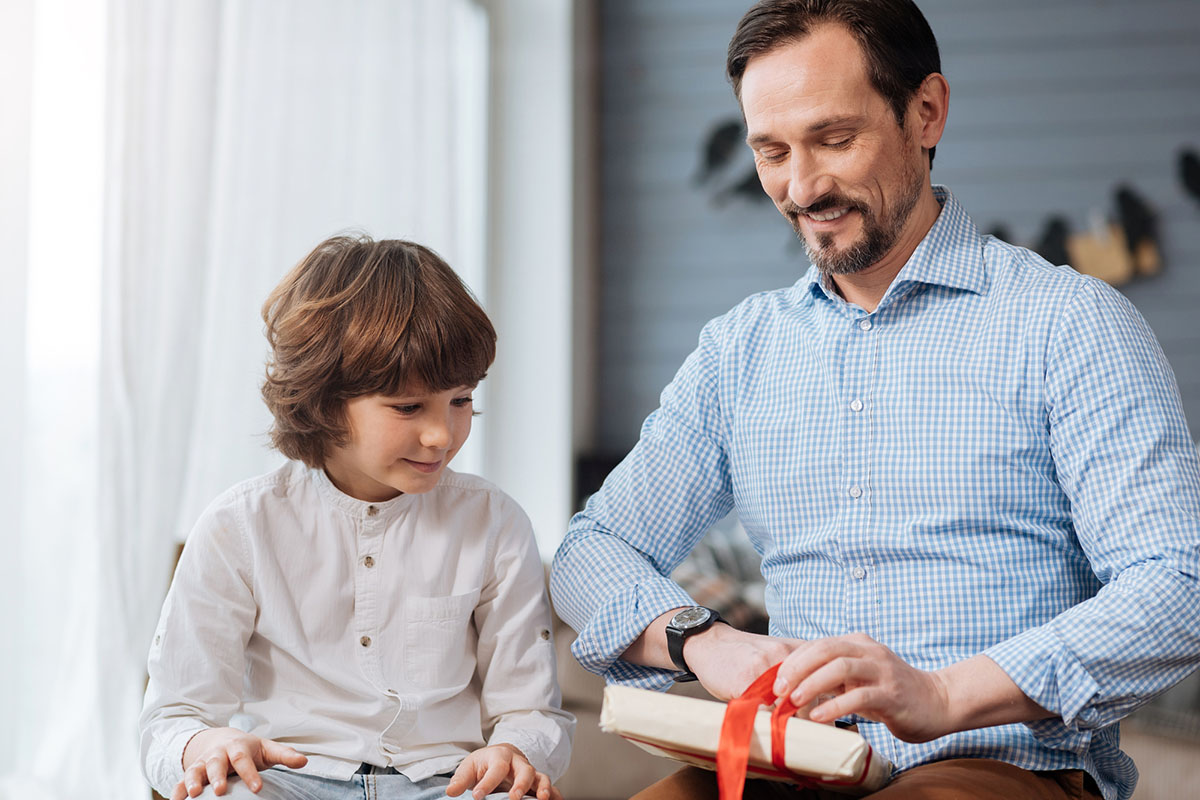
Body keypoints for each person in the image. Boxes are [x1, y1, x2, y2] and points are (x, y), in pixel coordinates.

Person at [549, 1, 1200, 799]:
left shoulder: (1068, 325)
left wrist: (943, 696)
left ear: (926, 112)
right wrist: (703, 642)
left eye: (835, 139)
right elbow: (591, 549)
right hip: (793, 764)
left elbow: (1179, 582)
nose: (802, 186)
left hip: (995, 767)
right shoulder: (740, 350)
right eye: (772, 151)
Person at [141, 235, 574, 800]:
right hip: (282, 780)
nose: (442, 434)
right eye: (408, 407)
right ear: (323, 399)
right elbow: (173, 715)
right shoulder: (237, 526)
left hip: (445, 784)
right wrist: (202, 747)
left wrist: (514, 752)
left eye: (461, 400)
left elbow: (531, 709)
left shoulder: (495, 523)